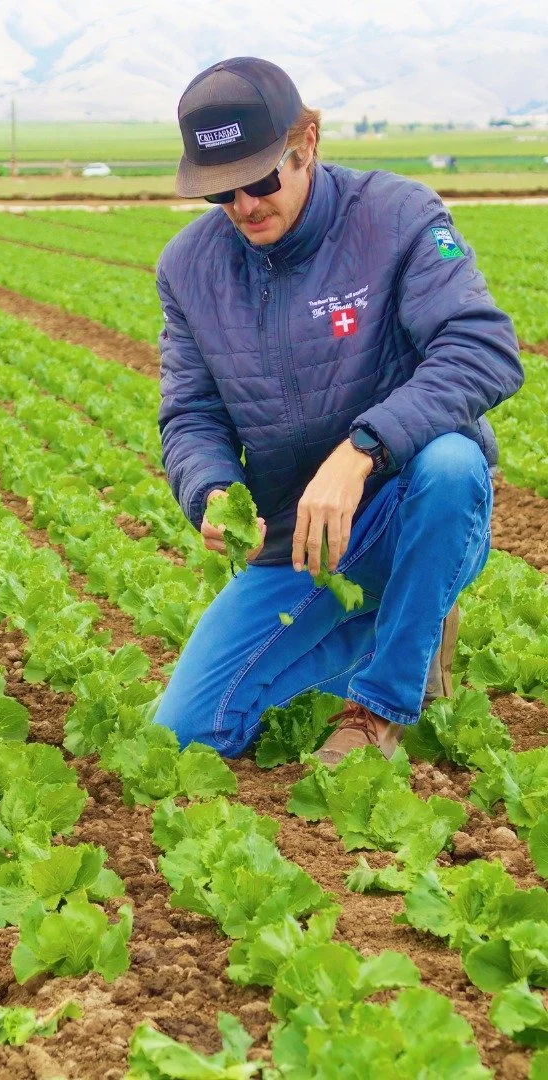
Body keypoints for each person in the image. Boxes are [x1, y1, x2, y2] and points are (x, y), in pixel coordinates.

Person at [153, 57, 523, 763]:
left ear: (309, 142)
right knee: (188, 734)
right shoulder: (187, 268)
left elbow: (484, 348)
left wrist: (363, 452)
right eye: (220, 193)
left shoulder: (396, 217)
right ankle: (393, 632)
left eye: (262, 179)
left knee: (451, 461)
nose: (245, 206)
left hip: (400, 504)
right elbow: (191, 414)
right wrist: (211, 490)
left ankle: (377, 707)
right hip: (297, 539)